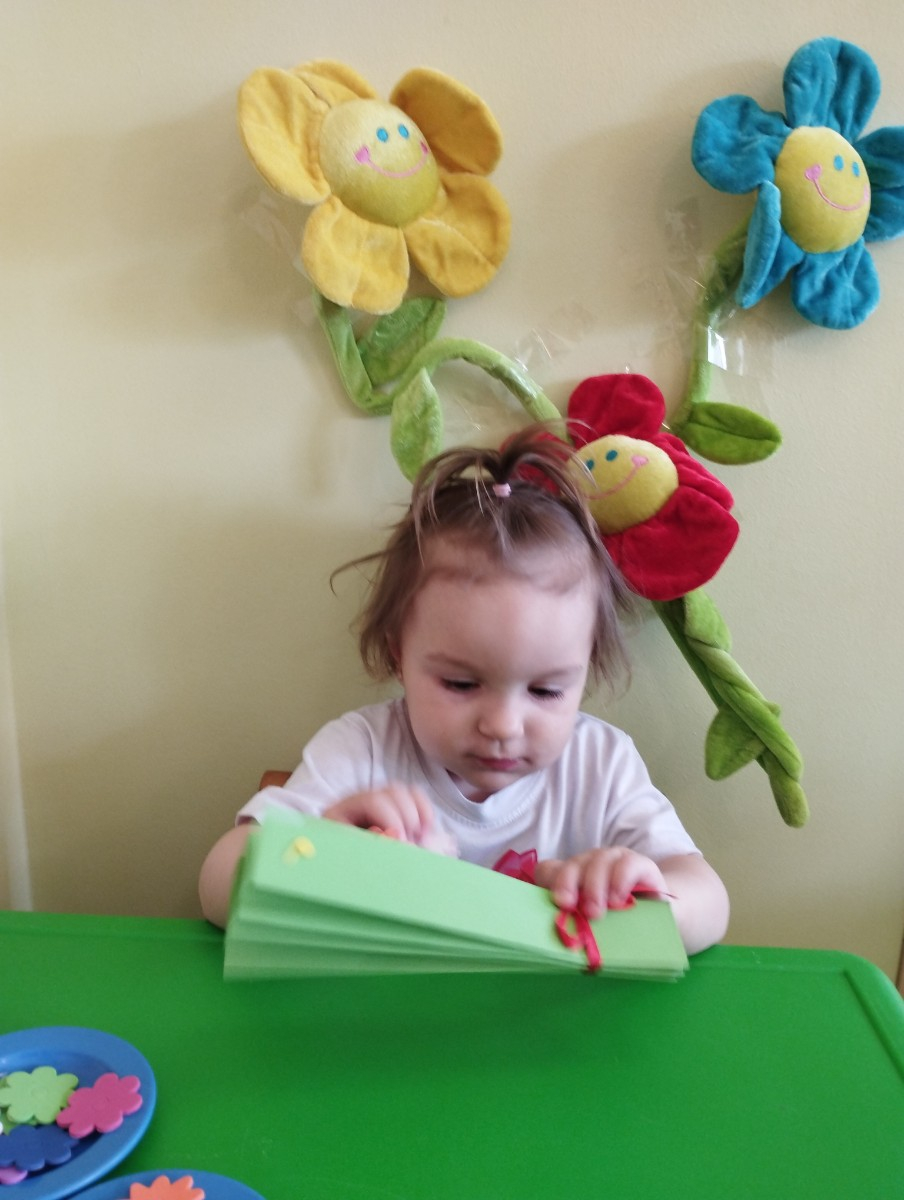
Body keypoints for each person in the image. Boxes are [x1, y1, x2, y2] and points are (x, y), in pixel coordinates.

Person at [199, 428, 729, 953]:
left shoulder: (602, 766)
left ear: (584, 669)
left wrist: (643, 895)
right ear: (398, 656)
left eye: (546, 690)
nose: (502, 725)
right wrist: (327, 850)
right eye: (460, 683)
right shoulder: (362, 749)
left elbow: (709, 903)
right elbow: (218, 886)